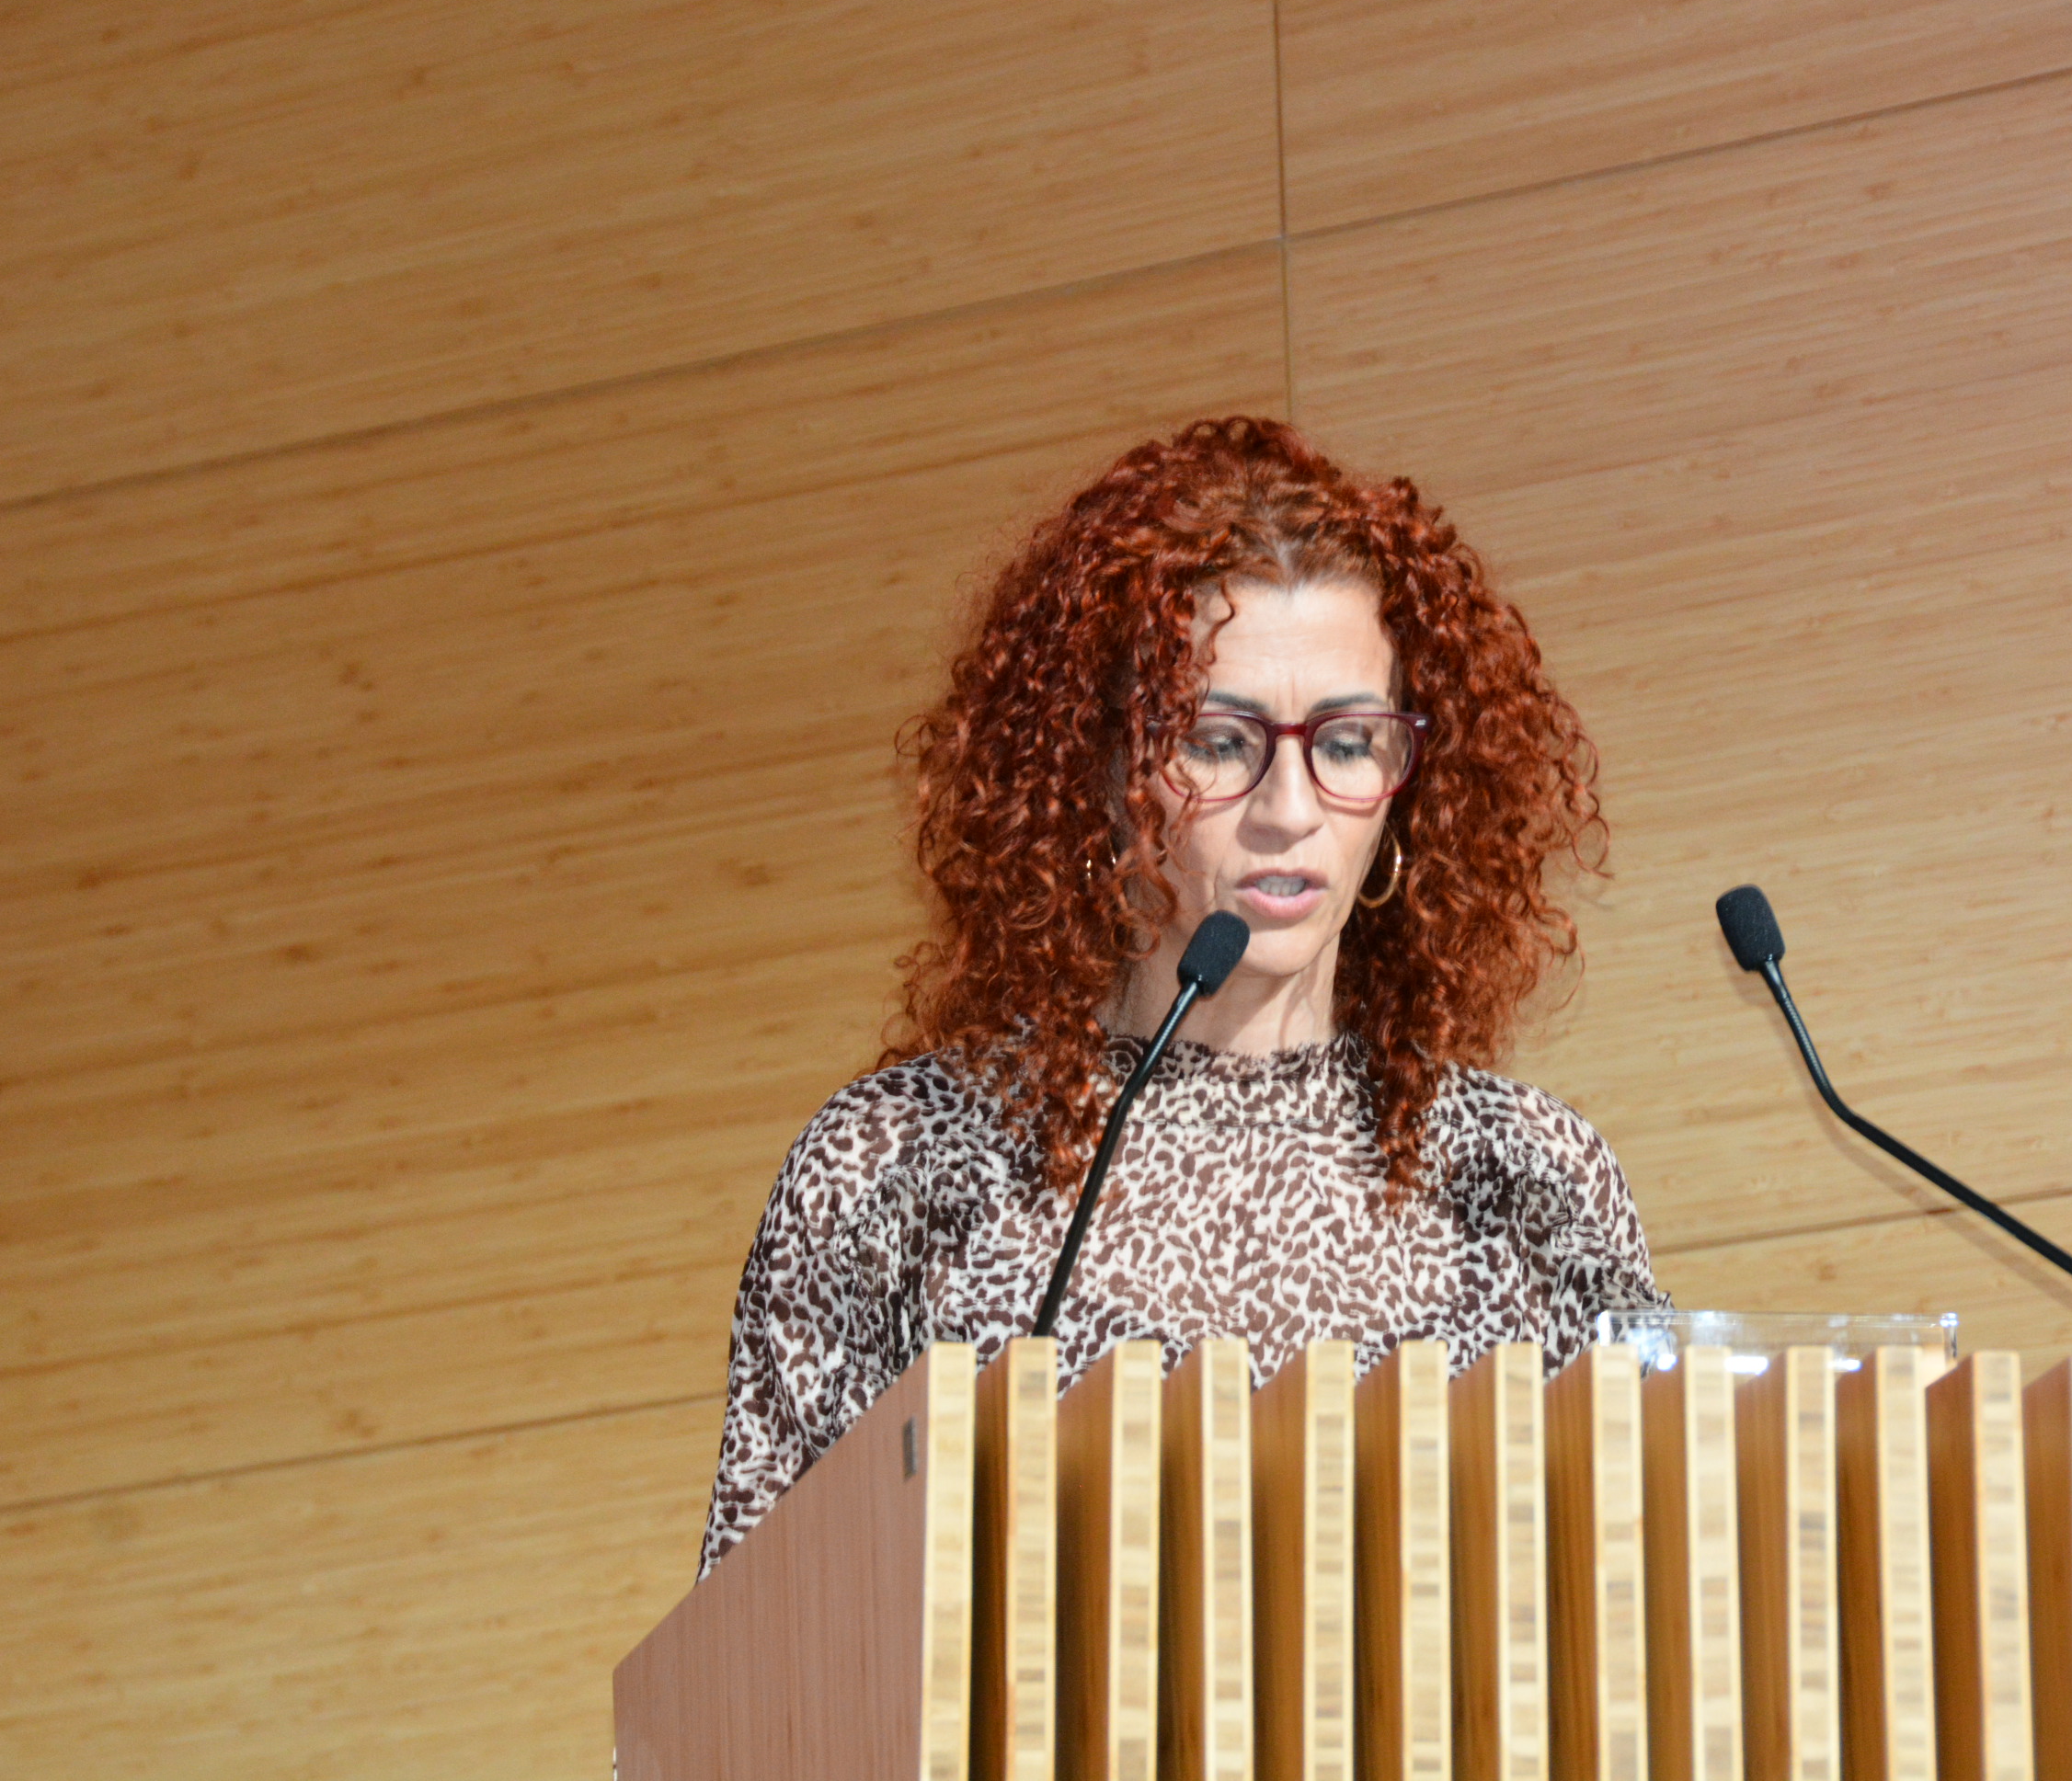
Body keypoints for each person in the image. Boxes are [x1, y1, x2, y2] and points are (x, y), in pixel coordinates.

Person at [697, 417, 1666, 1575]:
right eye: (1216, 739)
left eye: (1347, 742)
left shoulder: (1526, 1181)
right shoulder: (897, 1167)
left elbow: (1646, 1615)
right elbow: (753, 1641)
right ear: (1097, 769)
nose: (1289, 809)